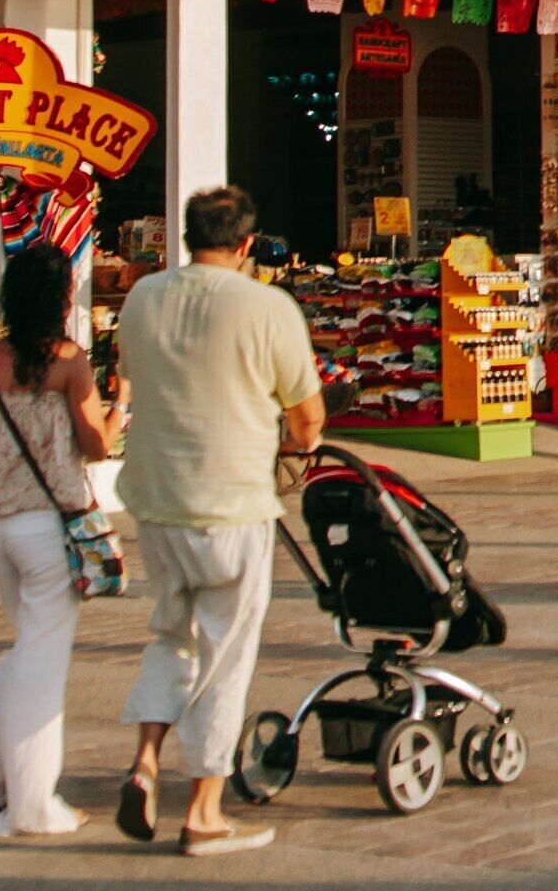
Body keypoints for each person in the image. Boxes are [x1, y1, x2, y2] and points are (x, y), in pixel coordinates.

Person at [116, 187, 323, 856]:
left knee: (171, 636)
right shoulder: (268, 306)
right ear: (245, 244)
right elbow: (307, 416)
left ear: (185, 237)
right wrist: (296, 442)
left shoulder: (143, 297)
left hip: (155, 499)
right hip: (231, 502)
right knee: (225, 654)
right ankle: (204, 809)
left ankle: (145, 761)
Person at [0, 243, 127, 836]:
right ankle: (30, 804)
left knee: (28, 650)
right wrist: (120, 406)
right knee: (41, 667)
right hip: (48, 528)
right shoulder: (71, 362)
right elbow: (97, 444)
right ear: (61, 299)